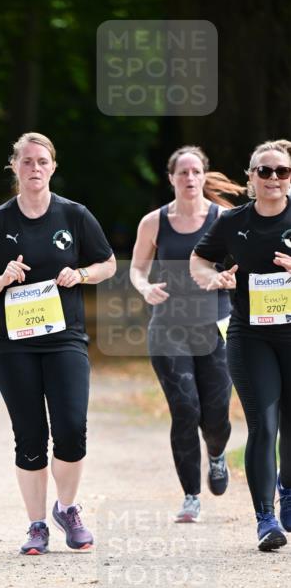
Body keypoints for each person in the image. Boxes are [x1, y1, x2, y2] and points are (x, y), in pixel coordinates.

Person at [0, 133, 116, 554]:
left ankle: (67, 509)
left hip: (64, 338)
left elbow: (107, 264)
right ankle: (36, 525)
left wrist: (81, 275)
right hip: (13, 343)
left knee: (71, 427)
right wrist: (3, 278)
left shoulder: (73, 214)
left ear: (53, 167)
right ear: (14, 167)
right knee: (30, 434)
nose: (35, 168)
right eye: (27, 161)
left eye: (43, 161)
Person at [129, 146, 245, 523]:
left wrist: (231, 277)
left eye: (196, 172)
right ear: (172, 178)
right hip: (168, 328)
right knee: (185, 410)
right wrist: (145, 289)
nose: (190, 178)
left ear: (203, 175)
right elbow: (137, 270)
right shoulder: (153, 222)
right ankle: (191, 496)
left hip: (215, 326)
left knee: (215, 418)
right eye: (183, 173)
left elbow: (247, 262)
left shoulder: (224, 218)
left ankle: (216, 454)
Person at [190, 139, 291, 551]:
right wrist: (213, 279)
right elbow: (199, 259)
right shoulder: (232, 222)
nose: (272, 178)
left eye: (281, 171)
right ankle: (266, 519)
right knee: (264, 426)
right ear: (250, 177)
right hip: (251, 335)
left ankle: (289, 491)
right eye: (263, 171)